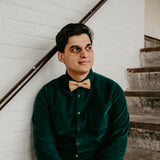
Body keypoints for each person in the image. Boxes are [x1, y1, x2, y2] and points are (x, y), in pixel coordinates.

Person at [32, 23, 129, 160]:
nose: (84, 54)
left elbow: (117, 143)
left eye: (88, 48)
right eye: (75, 49)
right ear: (61, 57)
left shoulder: (113, 91)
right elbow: (44, 143)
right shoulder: (47, 94)